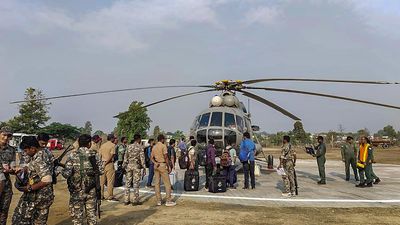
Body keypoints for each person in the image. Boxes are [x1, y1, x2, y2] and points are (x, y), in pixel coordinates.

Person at [62, 134, 103, 225]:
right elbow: (101, 171)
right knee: (91, 216)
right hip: (91, 190)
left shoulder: (72, 155)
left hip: (76, 191)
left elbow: (66, 174)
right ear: (89, 143)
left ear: (79, 143)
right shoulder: (95, 154)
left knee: (77, 218)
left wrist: (63, 170)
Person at [13, 136, 54, 224]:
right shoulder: (40, 155)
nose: (25, 153)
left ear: (32, 148)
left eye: (26, 150)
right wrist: (23, 169)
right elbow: (34, 168)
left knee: (20, 219)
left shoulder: (38, 159)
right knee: (39, 221)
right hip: (45, 196)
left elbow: (47, 179)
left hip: (38, 196)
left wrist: (30, 188)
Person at [150, 135, 176, 207]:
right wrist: (168, 166)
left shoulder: (154, 147)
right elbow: (166, 157)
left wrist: (155, 163)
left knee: (157, 183)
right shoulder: (163, 146)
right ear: (162, 139)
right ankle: (168, 200)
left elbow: (151, 158)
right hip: (162, 165)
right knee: (167, 183)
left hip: (156, 165)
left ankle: (159, 200)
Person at [123, 134, 146, 206]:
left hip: (129, 166)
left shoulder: (128, 146)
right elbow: (142, 159)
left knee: (127, 183)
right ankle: (135, 200)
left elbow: (125, 157)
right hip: (136, 166)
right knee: (136, 183)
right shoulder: (140, 147)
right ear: (139, 139)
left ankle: (126, 200)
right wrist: (144, 167)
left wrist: (124, 166)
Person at [0, 126, 16, 225]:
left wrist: (12, 169)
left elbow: (13, 165)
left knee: (3, 212)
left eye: (9, 136)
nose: (6, 138)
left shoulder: (11, 150)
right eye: (4, 135)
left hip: (6, 186)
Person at [98, 134, 118, 202]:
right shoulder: (113, 145)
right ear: (112, 139)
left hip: (102, 163)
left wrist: (102, 164)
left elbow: (99, 156)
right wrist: (106, 163)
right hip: (109, 164)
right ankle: (110, 196)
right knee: (110, 181)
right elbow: (112, 156)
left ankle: (101, 195)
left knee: (102, 182)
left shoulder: (102, 145)